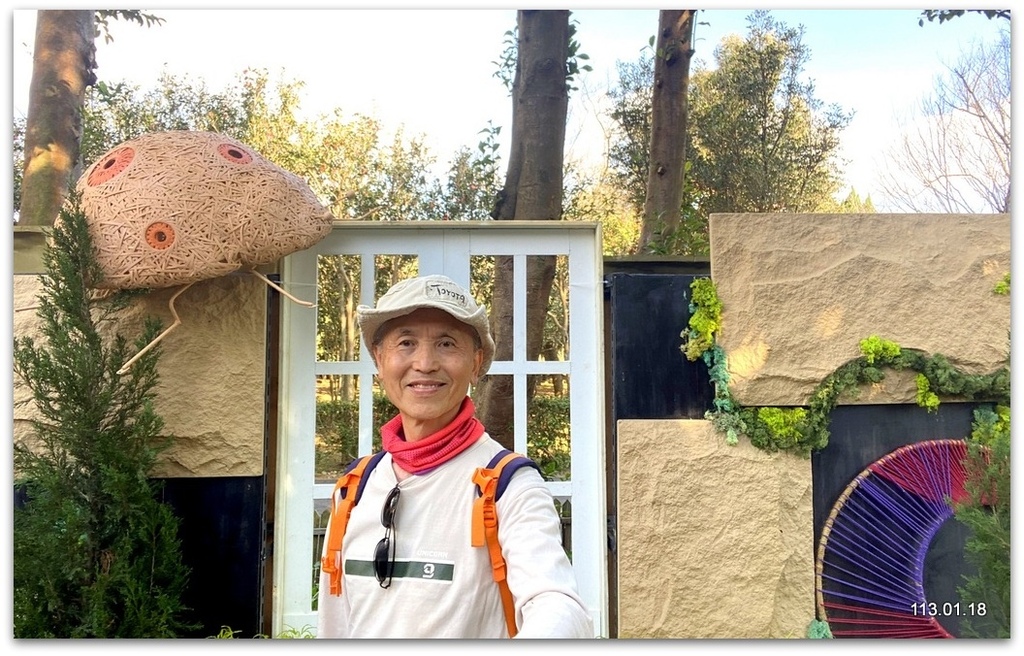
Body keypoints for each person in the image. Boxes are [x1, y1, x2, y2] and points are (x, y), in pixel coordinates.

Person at [316, 274, 593, 639]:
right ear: (379, 360)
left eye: (447, 344)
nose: (425, 363)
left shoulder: (508, 486)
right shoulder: (354, 488)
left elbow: (558, 603)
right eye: (406, 343)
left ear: (476, 364)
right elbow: (334, 628)